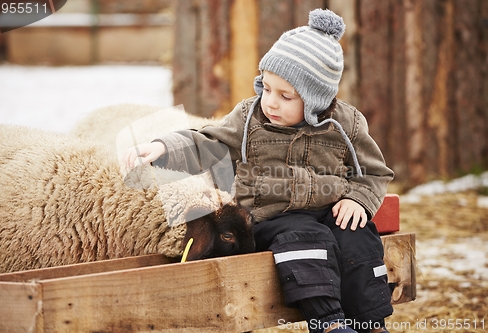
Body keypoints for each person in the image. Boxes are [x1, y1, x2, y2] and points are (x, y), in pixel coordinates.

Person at [123, 9, 394, 333]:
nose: (271, 103)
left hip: (330, 208)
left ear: (315, 99)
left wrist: (358, 199)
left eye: (285, 96)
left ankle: (369, 323)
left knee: (357, 237)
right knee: (306, 239)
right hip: (274, 217)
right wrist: (166, 148)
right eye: (266, 89)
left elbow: (375, 172)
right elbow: (210, 142)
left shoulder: (345, 125)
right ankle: (329, 323)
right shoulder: (249, 119)